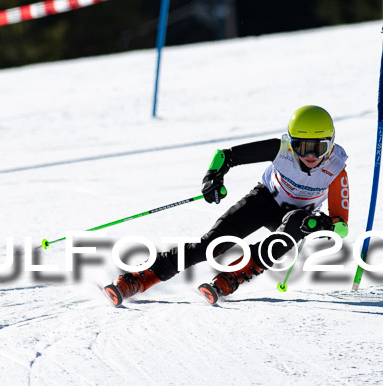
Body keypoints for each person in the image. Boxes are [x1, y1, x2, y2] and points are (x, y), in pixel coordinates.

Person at [104, 105, 350, 306]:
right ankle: (139, 279)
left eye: (319, 148)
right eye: (302, 147)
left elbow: (342, 227)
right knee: (210, 246)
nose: (310, 156)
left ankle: (231, 277)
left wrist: (324, 224)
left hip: (298, 218)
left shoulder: (337, 169)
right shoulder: (281, 150)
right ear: (291, 143)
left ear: (331, 144)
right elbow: (226, 156)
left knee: (297, 223)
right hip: (265, 200)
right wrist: (213, 177)